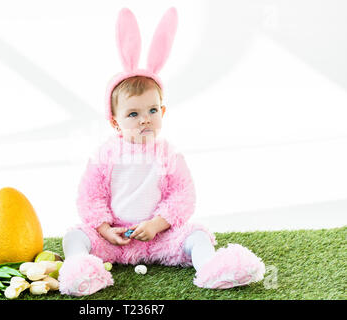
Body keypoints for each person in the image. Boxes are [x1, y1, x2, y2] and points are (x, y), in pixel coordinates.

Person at [58, 7, 265, 296]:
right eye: (133, 113)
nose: (144, 119)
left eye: (152, 110)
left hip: (158, 238)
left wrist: (157, 225)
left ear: (162, 111)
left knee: (197, 233)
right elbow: (90, 197)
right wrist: (105, 230)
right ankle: (82, 271)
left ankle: (211, 268)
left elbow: (182, 195)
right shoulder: (105, 156)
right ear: (114, 121)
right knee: (75, 235)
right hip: (115, 237)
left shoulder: (168, 155)